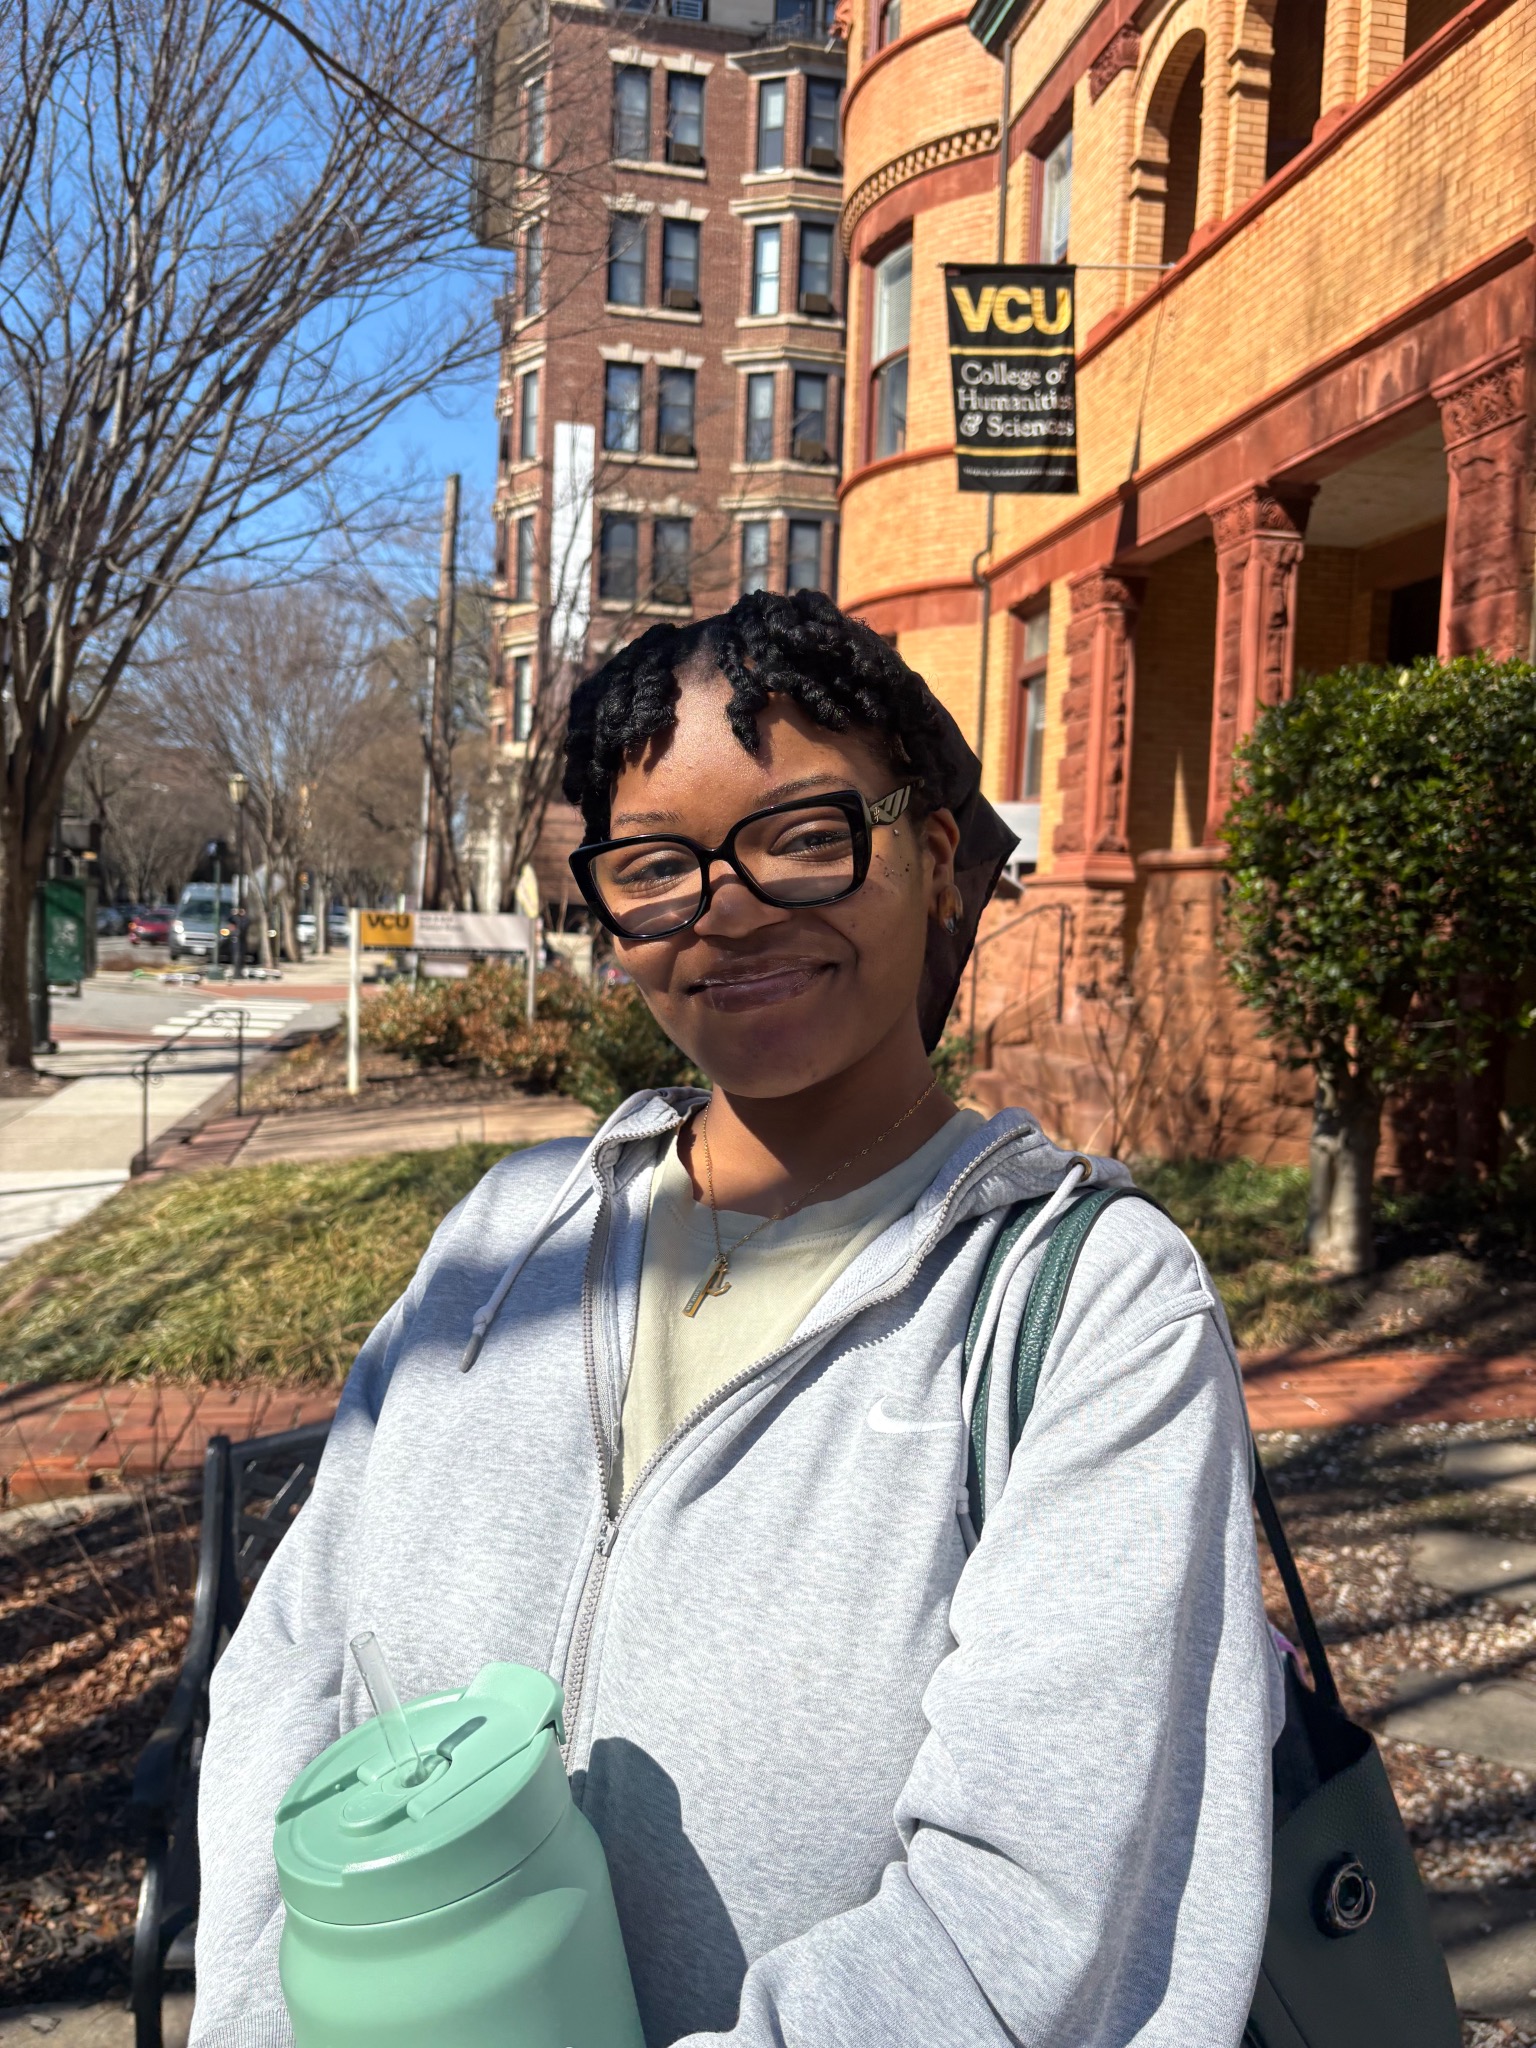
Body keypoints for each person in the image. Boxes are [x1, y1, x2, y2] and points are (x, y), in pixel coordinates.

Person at [190, 591, 1278, 2048]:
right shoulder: (507, 1240)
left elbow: (1032, 1913)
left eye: (806, 836)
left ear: (933, 857)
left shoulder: (1089, 1309)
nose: (729, 909)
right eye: (657, 867)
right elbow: (294, 1664)